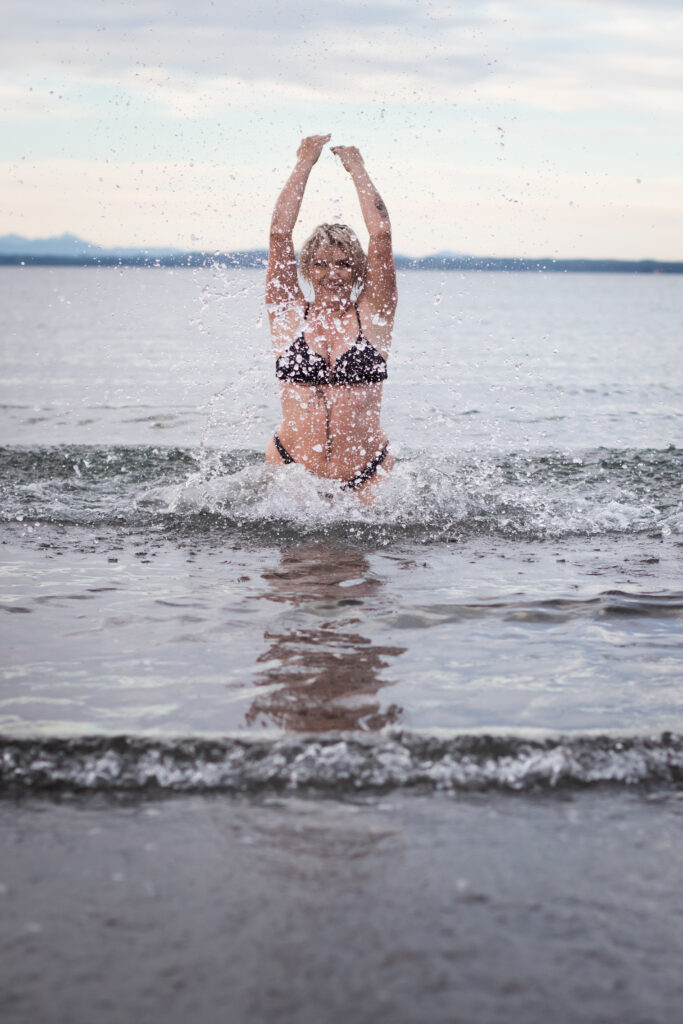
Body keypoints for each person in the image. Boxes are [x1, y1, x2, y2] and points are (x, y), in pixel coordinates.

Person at [265, 134, 397, 503]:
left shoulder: (373, 316)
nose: (332, 274)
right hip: (292, 469)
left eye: (343, 264)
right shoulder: (289, 314)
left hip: (368, 472)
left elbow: (381, 235)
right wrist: (304, 163)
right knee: (291, 562)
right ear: (307, 268)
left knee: (360, 561)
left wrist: (357, 168)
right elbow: (279, 234)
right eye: (321, 264)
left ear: (357, 270)